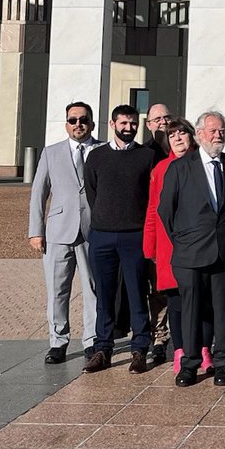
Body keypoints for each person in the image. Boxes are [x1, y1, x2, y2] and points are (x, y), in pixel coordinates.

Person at [158, 111, 225, 387]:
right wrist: (184, 239)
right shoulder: (180, 167)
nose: (217, 135)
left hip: (224, 253)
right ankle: (190, 364)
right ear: (199, 134)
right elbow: (166, 211)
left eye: (221, 130)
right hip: (190, 254)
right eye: (212, 131)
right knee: (191, 310)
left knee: (223, 311)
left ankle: (223, 363)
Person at [83, 105, 156, 374]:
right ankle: (103, 348)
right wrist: (105, 218)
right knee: (104, 294)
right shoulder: (96, 157)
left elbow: (150, 197)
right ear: (112, 124)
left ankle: (139, 348)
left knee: (138, 293)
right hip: (102, 235)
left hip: (133, 235)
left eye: (133, 123)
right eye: (124, 123)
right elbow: (93, 193)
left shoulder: (146, 156)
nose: (129, 127)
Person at [27, 101, 101, 364]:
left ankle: (92, 341)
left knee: (93, 289)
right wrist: (36, 231)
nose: (78, 124)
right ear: (66, 124)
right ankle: (58, 342)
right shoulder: (51, 152)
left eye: (83, 120)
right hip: (58, 231)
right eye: (73, 120)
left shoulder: (103, 150)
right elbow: (39, 192)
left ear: (91, 123)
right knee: (57, 290)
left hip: (94, 231)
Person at [142, 118, 214, 378]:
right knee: (176, 301)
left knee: (204, 301)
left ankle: (205, 350)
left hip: (199, 244)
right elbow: (153, 208)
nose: (178, 138)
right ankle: (180, 350)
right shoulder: (161, 169)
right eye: (172, 135)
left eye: (182, 133)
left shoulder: (204, 163)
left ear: (192, 136)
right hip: (168, 245)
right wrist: (149, 245)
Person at [140, 101, 172, 363]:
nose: (162, 122)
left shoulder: (184, 150)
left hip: (181, 233)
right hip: (155, 232)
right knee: (157, 288)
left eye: (166, 117)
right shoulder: (144, 154)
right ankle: (159, 337)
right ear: (149, 124)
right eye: (157, 119)